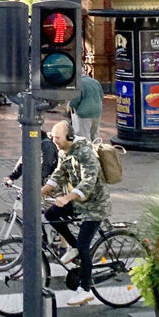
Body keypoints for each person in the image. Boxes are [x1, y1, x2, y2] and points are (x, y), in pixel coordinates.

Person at [41, 120, 110, 307]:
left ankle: (85, 290)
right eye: (53, 137)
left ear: (69, 137)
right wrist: (42, 190)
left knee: (84, 245)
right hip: (80, 202)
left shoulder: (85, 153)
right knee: (51, 215)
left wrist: (67, 197)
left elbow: (88, 182)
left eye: (57, 138)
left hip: (95, 205)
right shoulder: (64, 151)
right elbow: (59, 174)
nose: (54, 141)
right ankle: (73, 248)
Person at [70, 75, 104, 141]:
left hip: (84, 113)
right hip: (97, 111)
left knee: (85, 135)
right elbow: (102, 96)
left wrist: (71, 106)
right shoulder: (95, 82)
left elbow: (74, 101)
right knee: (95, 134)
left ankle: (87, 147)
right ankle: (97, 147)